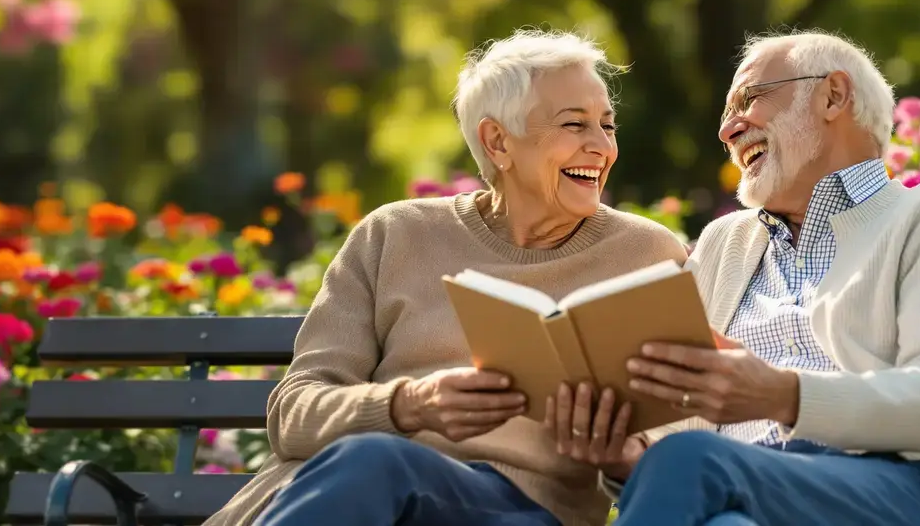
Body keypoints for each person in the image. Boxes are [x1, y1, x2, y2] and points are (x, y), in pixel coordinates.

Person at [201, 29, 690, 526]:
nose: (601, 147)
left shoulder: (646, 255)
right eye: (575, 125)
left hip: (524, 512)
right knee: (373, 463)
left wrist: (624, 456)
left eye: (607, 126)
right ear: (497, 141)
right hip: (366, 493)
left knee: (373, 464)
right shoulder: (394, 235)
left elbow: (683, 430)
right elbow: (295, 412)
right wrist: (408, 406)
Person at [545, 30, 920, 526]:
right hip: (745, 493)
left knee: (695, 460)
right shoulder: (725, 242)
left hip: (907, 486)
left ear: (833, 95)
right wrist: (625, 457)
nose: (727, 131)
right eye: (725, 116)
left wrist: (781, 395)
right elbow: (680, 429)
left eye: (748, 100)